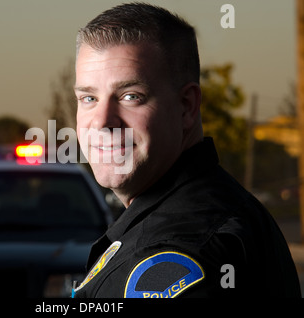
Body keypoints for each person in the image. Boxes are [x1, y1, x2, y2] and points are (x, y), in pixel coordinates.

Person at [73, 2, 301, 298]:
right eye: (88, 98)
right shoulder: (202, 211)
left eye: (131, 96)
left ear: (187, 106)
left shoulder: (180, 253)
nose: (102, 122)